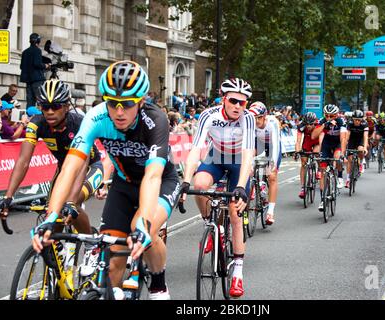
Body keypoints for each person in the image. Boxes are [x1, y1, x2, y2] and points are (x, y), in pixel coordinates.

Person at [30, 61, 180, 300]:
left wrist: (143, 225)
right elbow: (69, 168)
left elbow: (152, 176)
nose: (119, 112)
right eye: (112, 103)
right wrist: (50, 217)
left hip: (161, 182)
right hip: (123, 184)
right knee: (112, 264)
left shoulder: (155, 120)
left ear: (141, 101)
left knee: (140, 230)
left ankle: (158, 285)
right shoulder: (96, 117)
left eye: (127, 104)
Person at [0, 80, 104, 274]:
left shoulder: (79, 123)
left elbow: (80, 165)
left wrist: (71, 201)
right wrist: (8, 196)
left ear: (66, 106)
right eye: (45, 106)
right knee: (52, 214)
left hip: (89, 167)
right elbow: (23, 161)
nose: (49, 112)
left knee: (71, 203)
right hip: (63, 168)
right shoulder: (36, 123)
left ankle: (91, 245)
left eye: (55, 106)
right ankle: (59, 265)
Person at [180, 78, 255, 298]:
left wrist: (241, 186)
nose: (238, 106)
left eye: (243, 103)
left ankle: (238, 273)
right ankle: (211, 225)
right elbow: (196, 149)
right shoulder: (208, 115)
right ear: (224, 99)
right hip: (216, 157)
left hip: (238, 163)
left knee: (235, 211)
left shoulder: (248, 119)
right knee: (200, 184)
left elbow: (249, 153)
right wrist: (185, 181)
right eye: (233, 101)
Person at [249, 101, 281, 225]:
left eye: (259, 118)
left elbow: (275, 142)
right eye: (254, 118)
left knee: (272, 176)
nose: (256, 121)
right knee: (249, 165)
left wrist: (272, 162)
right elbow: (248, 144)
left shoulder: (272, 123)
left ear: (265, 116)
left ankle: (270, 212)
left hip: (272, 146)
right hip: (259, 144)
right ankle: (255, 186)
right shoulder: (250, 124)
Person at [311, 104, 347, 212]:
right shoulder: (323, 121)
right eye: (327, 115)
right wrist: (325, 124)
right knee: (322, 171)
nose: (329, 118)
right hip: (327, 144)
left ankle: (339, 176)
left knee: (337, 156)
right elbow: (314, 136)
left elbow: (343, 139)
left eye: (331, 116)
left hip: (337, 143)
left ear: (336, 115)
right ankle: (323, 199)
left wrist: (342, 153)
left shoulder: (341, 121)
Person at [295, 112, 321, 199]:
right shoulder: (301, 126)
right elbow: (298, 141)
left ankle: (319, 169)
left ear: (315, 122)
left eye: (311, 124)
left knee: (317, 153)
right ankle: (303, 188)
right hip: (307, 142)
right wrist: (297, 151)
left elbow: (322, 139)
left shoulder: (318, 125)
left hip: (317, 142)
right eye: (307, 124)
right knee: (303, 162)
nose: (309, 126)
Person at [20, 33, 50, 107]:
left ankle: (29, 117)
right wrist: (46, 65)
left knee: (30, 102)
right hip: (37, 80)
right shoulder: (37, 51)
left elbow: (21, 66)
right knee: (41, 100)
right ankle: (41, 117)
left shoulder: (25, 52)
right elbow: (37, 64)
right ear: (38, 41)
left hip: (28, 81)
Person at [345, 110, 369, 188]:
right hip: (352, 140)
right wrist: (345, 146)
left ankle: (361, 163)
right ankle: (348, 179)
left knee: (360, 150)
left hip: (360, 140)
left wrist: (365, 148)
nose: (357, 121)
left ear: (362, 119)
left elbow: (365, 137)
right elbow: (347, 136)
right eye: (355, 120)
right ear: (353, 119)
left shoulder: (365, 123)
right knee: (350, 159)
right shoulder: (350, 123)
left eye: (359, 120)